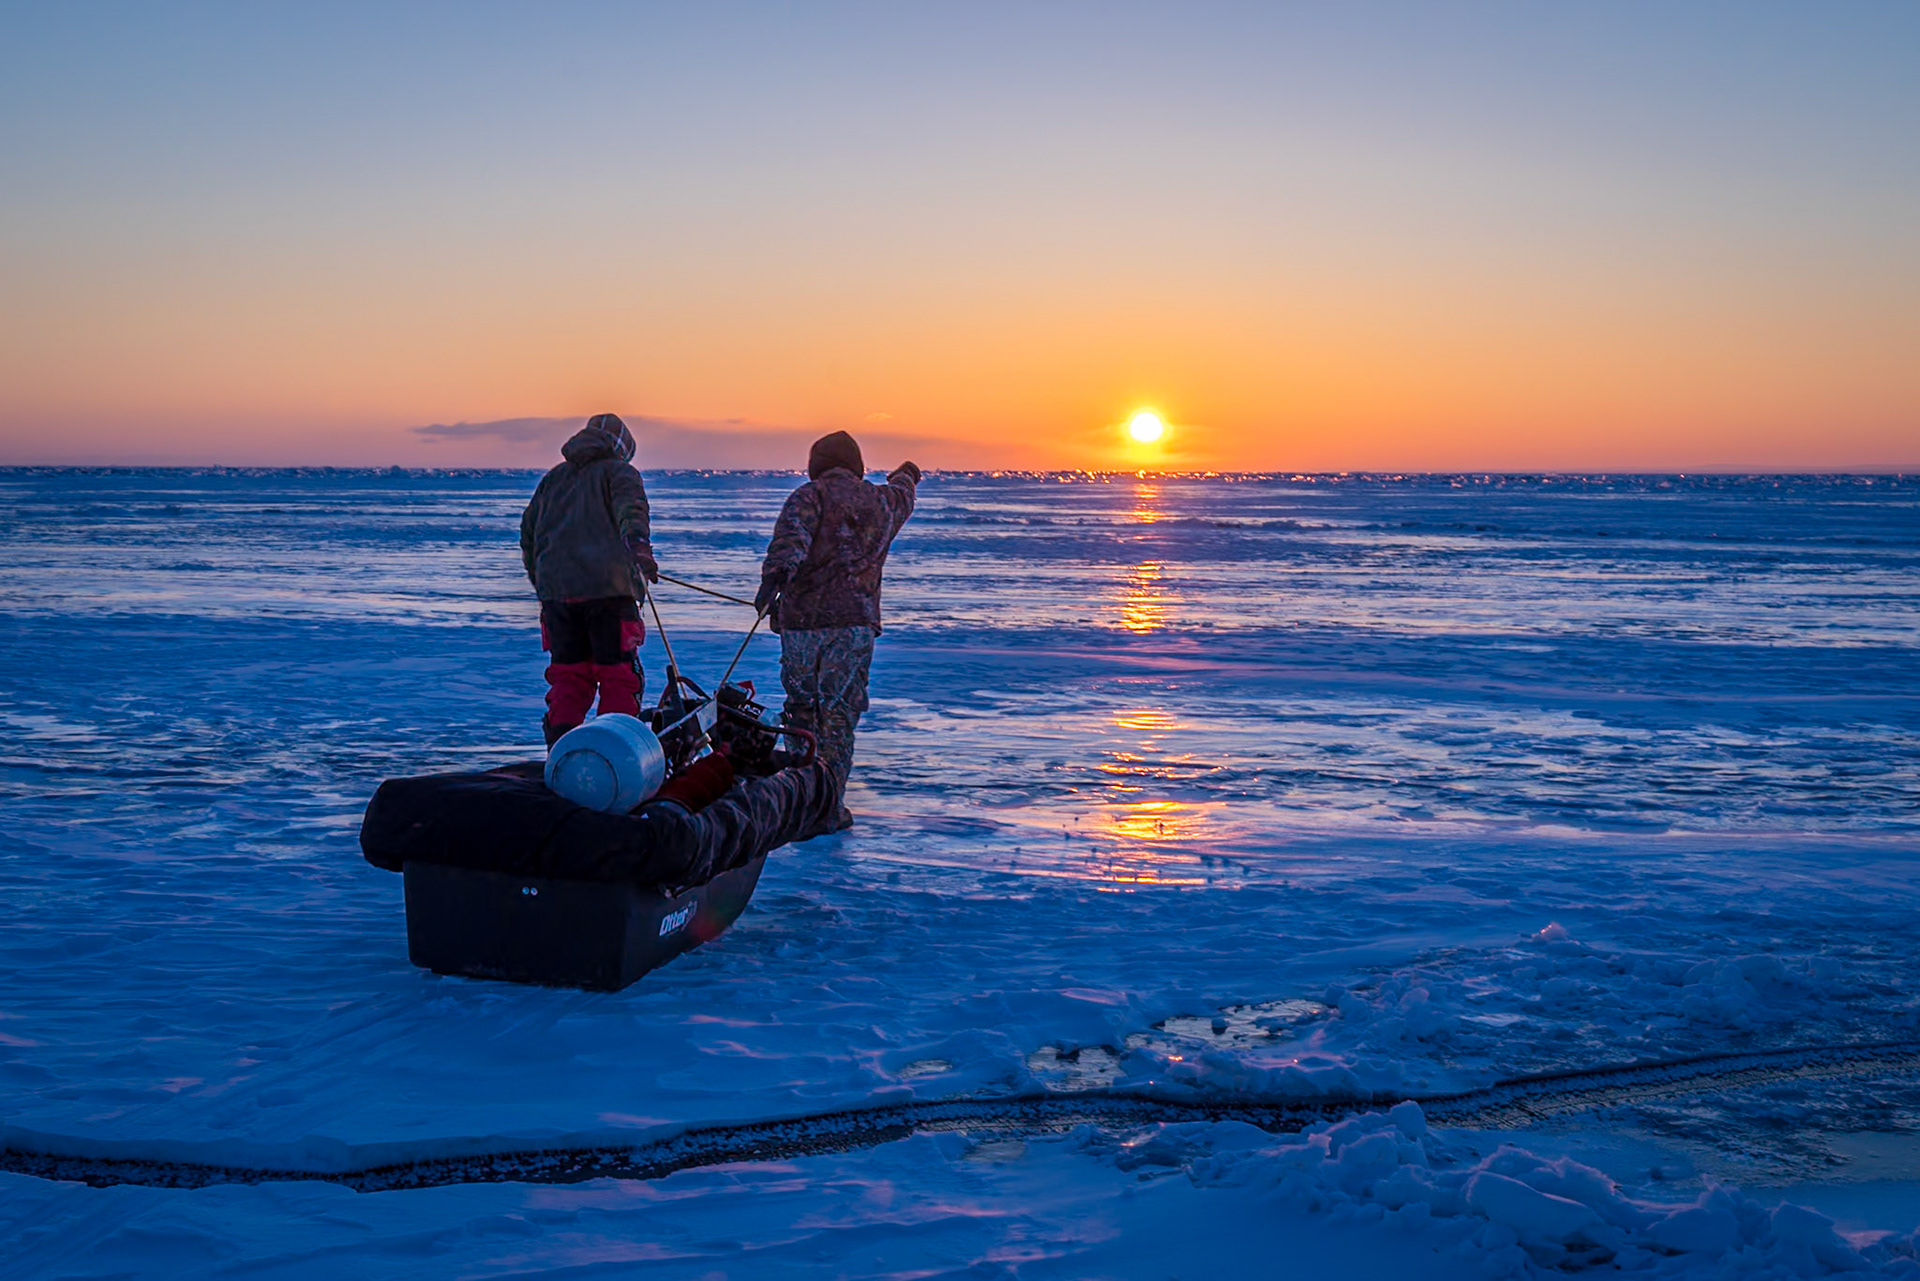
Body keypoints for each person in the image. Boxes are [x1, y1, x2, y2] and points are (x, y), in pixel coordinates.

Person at [755, 431, 920, 830]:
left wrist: (773, 582)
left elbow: (789, 542)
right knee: (838, 716)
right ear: (857, 464)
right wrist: (909, 474)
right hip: (852, 627)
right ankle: (827, 805)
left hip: (802, 626)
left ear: (817, 464)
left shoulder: (809, 496)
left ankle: (800, 801)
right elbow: (903, 493)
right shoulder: (882, 501)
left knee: (800, 710)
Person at [520, 413, 660, 747]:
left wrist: (543, 584)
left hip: (558, 597)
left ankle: (561, 752)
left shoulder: (552, 481)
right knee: (618, 677)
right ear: (623, 448)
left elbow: (528, 536)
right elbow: (632, 510)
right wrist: (639, 548)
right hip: (609, 593)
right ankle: (615, 751)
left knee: (569, 678)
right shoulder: (620, 473)